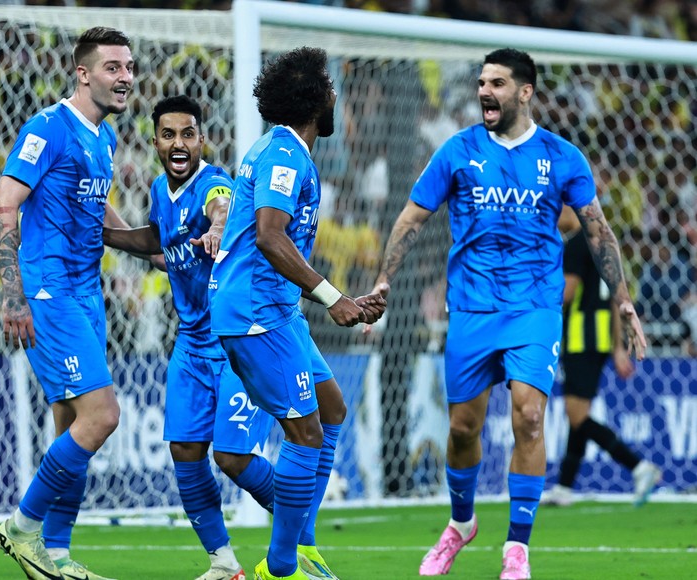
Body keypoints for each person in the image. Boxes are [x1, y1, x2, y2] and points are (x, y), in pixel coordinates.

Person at [368, 48, 646, 580]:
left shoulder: (563, 157)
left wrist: (624, 298)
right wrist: (385, 277)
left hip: (534, 307)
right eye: (480, 83)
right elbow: (412, 216)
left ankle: (517, 547)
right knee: (463, 428)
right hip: (471, 308)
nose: (483, 92)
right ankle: (461, 523)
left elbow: (596, 230)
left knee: (529, 416)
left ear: (524, 92)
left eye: (496, 83)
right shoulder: (457, 150)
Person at [209, 47, 385, 580]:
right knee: (305, 433)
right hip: (256, 314)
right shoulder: (284, 152)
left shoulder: (289, 152)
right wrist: (336, 299)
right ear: (314, 100)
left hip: (276, 309)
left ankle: (300, 548)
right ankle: (281, 569)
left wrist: (342, 299)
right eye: (331, 89)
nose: (337, 97)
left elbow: (277, 249)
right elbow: (268, 236)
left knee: (331, 411)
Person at [103, 95, 277, 580]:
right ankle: (224, 564)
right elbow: (158, 239)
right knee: (184, 449)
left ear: (202, 139)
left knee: (234, 457)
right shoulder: (160, 189)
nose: (178, 144)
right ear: (156, 141)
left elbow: (219, 205)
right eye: (167, 135)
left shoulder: (214, 183)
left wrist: (220, 225)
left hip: (236, 341)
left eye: (187, 134)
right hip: (192, 341)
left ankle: (296, 522)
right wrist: (103, 231)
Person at [0, 27, 136, 580]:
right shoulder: (48, 128)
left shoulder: (104, 139)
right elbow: (7, 203)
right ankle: (22, 528)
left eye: (128, 67)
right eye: (113, 67)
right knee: (102, 416)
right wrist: (14, 296)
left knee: (69, 423)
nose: (125, 77)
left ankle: (56, 553)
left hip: (86, 292)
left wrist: (155, 248)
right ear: (83, 73)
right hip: (49, 292)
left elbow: (100, 215)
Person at [543, 206, 661, 507]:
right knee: (578, 413)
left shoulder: (573, 245)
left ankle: (639, 467)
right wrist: (617, 346)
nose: (552, 213)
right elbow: (613, 299)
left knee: (577, 415)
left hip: (580, 338)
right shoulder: (597, 241)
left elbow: (567, 293)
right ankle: (565, 487)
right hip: (599, 338)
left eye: (557, 206)